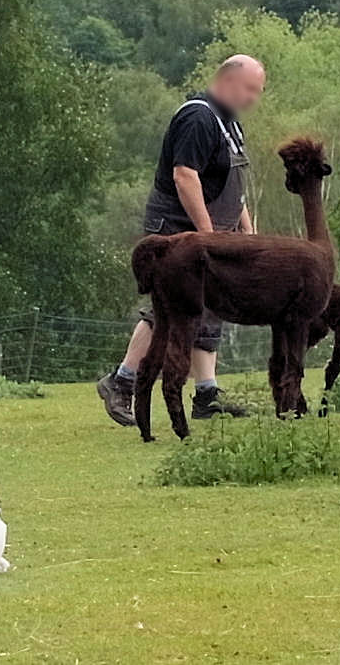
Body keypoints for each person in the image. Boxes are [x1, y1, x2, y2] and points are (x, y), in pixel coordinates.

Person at [96, 55, 264, 426]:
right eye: (250, 89)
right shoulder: (198, 117)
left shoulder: (229, 125)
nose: (254, 98)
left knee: (209, 307)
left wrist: (246, 232)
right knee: (172, 309)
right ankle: (121, 381)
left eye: (259, 92)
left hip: (213, 232)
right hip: (176, 229)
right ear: (228, 81)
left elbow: (234, 187)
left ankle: (206, 394)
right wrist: (206, 235)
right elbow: (185, 176)